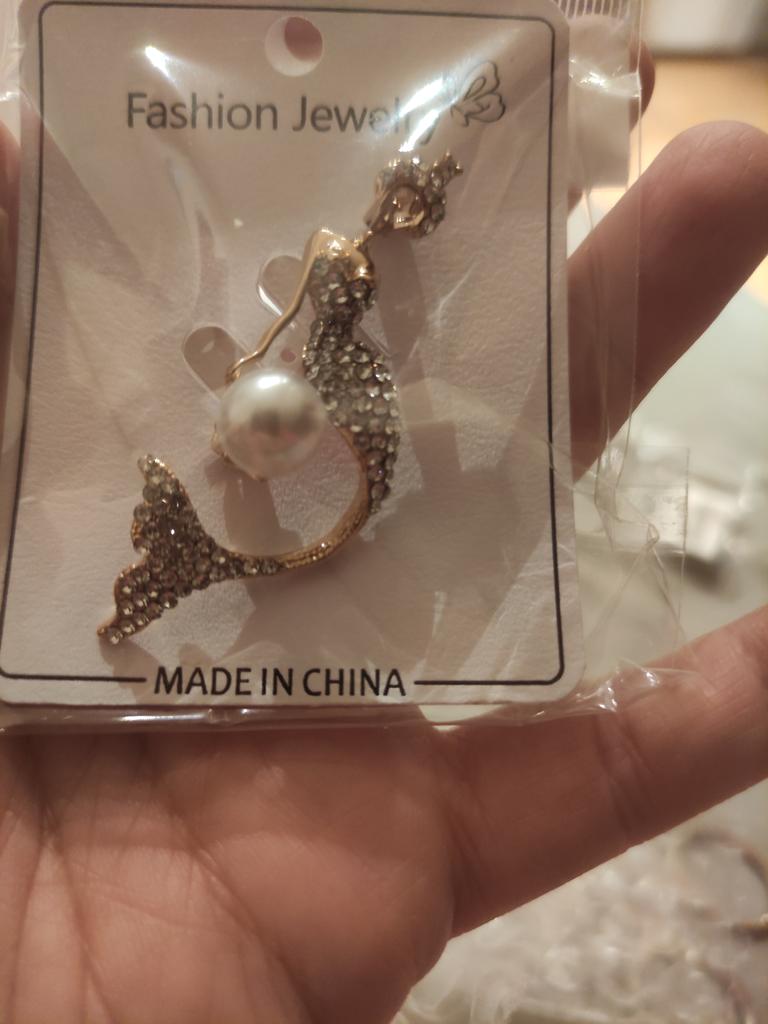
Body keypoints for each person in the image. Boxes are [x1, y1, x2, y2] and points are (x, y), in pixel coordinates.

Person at [0, 79, 767, 1024]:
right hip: (299, 423)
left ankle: (194, 557)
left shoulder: (349, 318)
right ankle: (193, 557)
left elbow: (302, 347)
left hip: (323, 425)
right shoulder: (335, 290)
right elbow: (289, 334)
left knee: (339, 485)